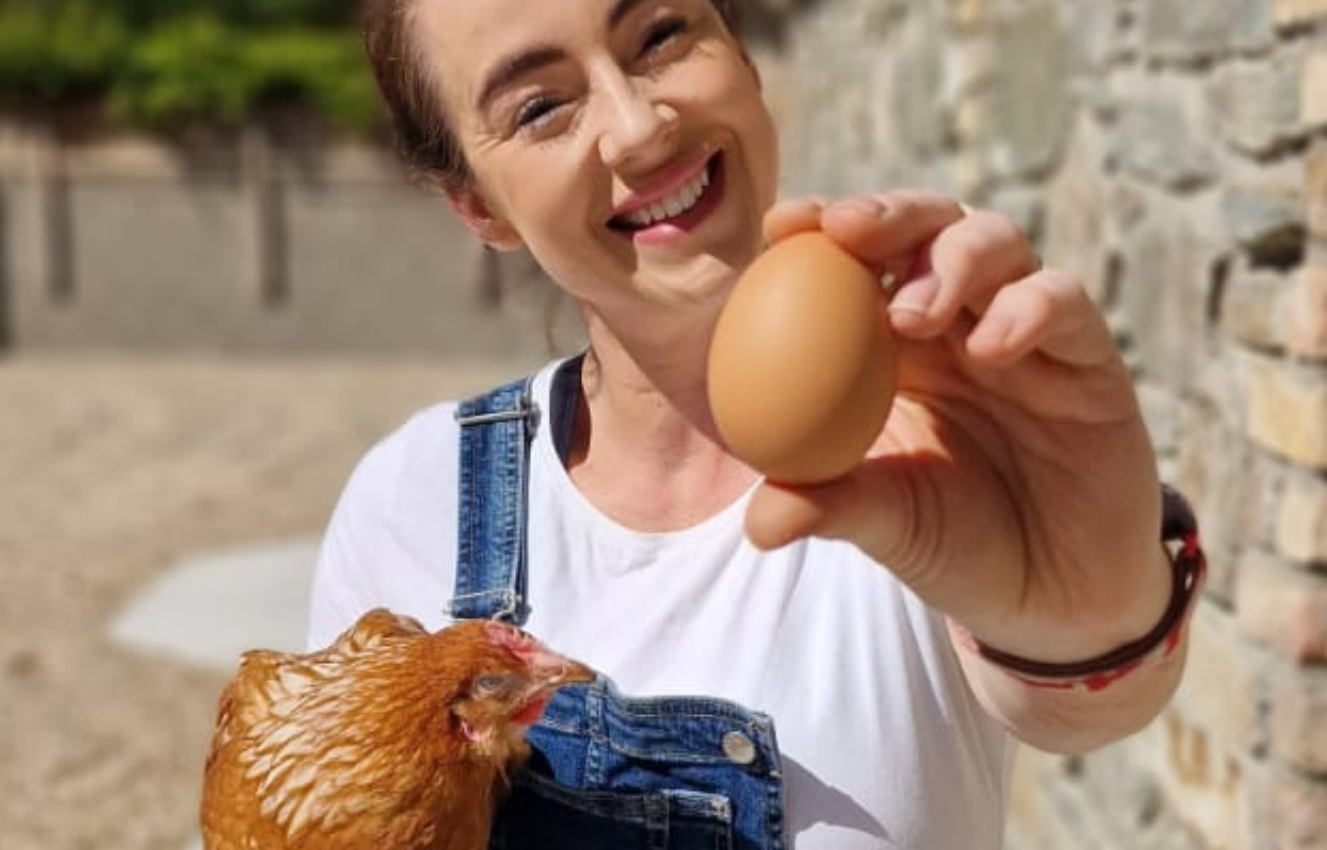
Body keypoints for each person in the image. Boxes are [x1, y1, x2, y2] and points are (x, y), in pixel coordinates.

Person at [305, 0, 1205, 846]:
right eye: (541, 107)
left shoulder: (934, 448)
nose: (640, 125)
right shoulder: (410, 502)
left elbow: (1083, 700)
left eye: (659, 34)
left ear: (740, 55)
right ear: (479, 207)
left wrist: (1095, 611)